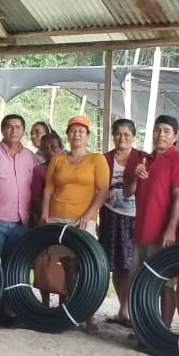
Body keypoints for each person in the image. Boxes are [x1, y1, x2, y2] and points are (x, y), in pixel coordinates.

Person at [125, 114, 179, 333]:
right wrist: (134, 175)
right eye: (157, 130)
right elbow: (127, 192)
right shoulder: (144, 159)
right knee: (139, 282)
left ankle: (162, 332)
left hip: (163, 234)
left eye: (166, 131)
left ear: (175, 137)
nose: (160, 134)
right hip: (141, 232)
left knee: (164, 283)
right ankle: (143, 330)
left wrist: (171, 229)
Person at [41, 117, 108, 332]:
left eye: (81, 131)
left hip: (83, 220)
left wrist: (88, 215)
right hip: (58, 217)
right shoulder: (58, 159)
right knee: (68, 267)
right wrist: (45, 214)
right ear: (68, 135)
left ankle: (89, 315)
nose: (76, 135)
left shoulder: (97, 159)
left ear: (87, 135)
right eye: (73, 131)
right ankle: (73, 312)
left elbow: (102, 190)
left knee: (86, 266)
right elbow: (48, 189)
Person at [0, 114, 39, 326]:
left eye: (18, 127)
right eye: (9, 126)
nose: (14, 130)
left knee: (13, 268)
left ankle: (8, 311)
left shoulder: (30, 157)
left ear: (23, 131)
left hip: (20, 222)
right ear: (3, 130)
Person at [100, 119, 140, 326]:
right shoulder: (104, 159)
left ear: (133, 137)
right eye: (118, 134)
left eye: (127, 134)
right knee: (116, 264)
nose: (122, 138)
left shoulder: (142, 158)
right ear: (113, 135)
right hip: (111, 216)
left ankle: (131, 309)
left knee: (131, 264)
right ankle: (123, 309)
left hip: (136, 218)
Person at [30, 131, 64, 225]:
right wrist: (47, 216)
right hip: (47, 219)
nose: (49, 151)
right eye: (45, 148)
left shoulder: (70, 169)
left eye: (54, 147)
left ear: (61, 148)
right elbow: (35, 199)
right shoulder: (39, 171)